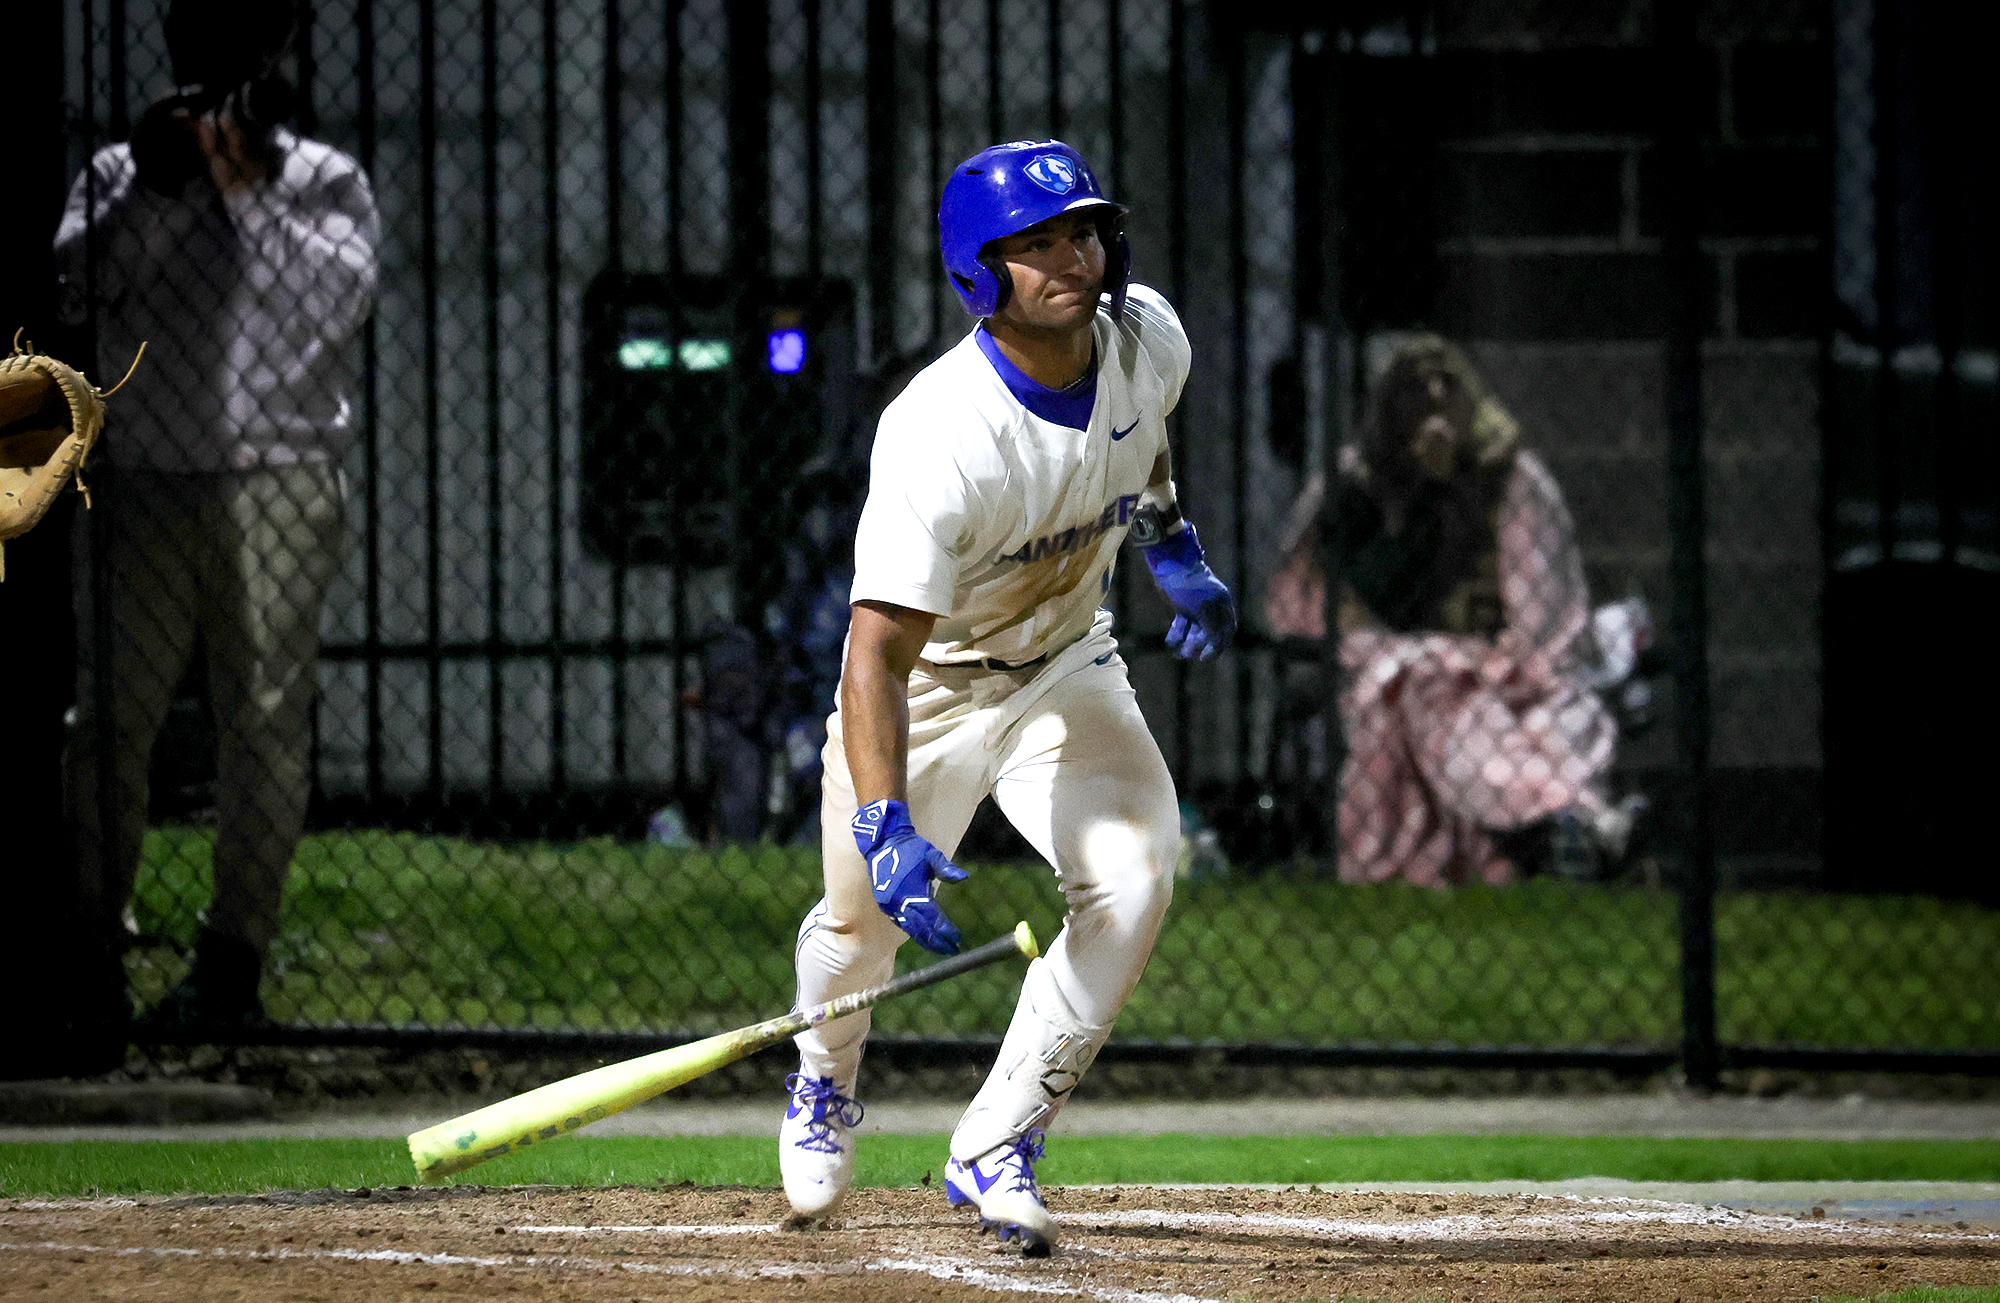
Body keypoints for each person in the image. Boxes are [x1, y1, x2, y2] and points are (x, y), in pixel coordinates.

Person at [779, 139, 1235, 1255]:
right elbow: (873, 654)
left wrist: (1171, 539)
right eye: (1032, 245)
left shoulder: (1150, 339)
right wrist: (884, 822)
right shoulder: (939, 432)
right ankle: (824, 1081)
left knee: (1132, 878)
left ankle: (997, 1141)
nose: (1070, 258)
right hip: (929, 689)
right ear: (979, 274)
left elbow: (1142, 447)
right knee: (859, 924)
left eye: (1079, 231)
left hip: (1065, 661)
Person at [54, 0, 381, 1026]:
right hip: (146, 470)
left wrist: (244, 191)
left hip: (278, 470)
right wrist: (157, 188)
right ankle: (89, 946)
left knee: (266, 723)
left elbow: (334, 303)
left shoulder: (322, 180)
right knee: (110, 721)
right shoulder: (120, 171)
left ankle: (231, 956)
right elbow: (76, 286)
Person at [1264, 335, 1637, 886]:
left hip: (1500, 661)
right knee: (1423, 692)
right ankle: (1559, 824)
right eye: (1416, 389)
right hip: (1413, 660)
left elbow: (1541, 609)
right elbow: (1350, 594)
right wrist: (1426, 497)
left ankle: (1564, 820)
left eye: (1448, 383)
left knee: (1498, 714)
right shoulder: (1359, 485)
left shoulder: (1512, 477)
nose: (1435, 399)